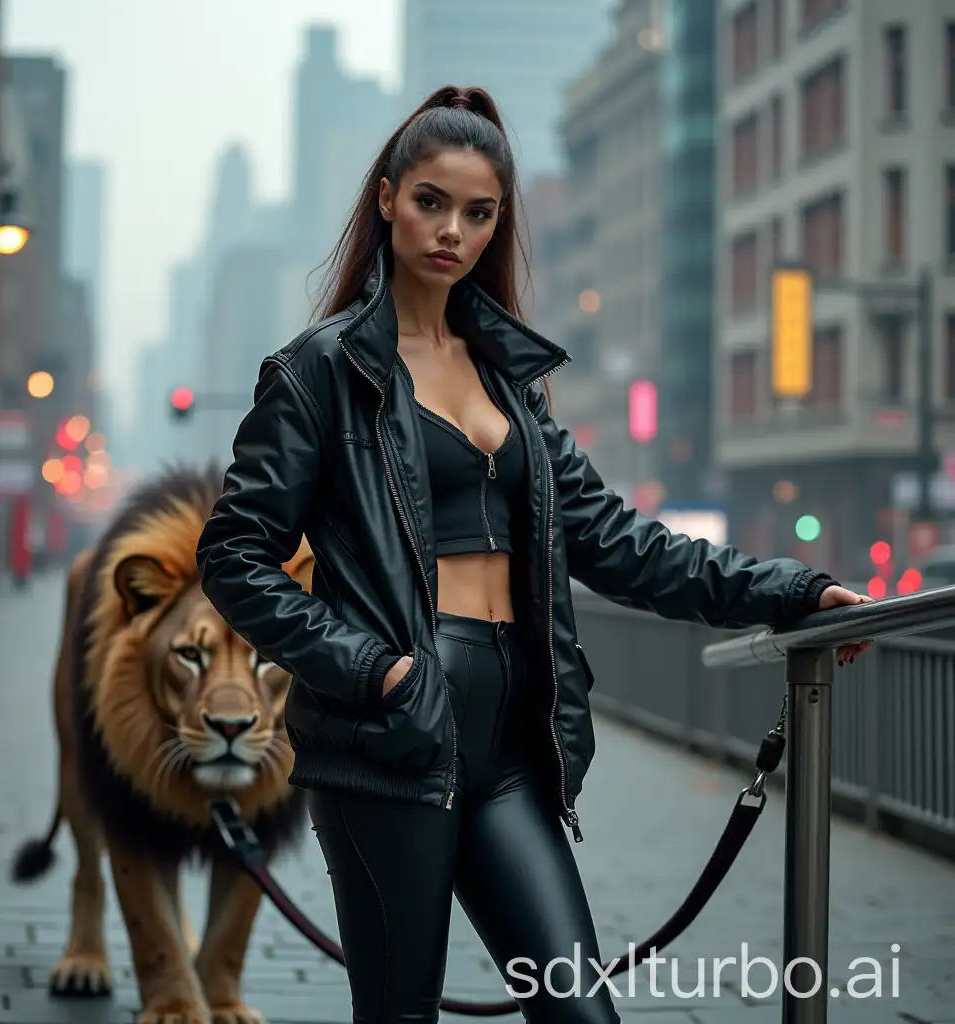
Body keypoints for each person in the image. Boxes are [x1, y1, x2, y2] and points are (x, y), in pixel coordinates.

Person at [195, 84, 871, 1024]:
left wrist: (791, 590)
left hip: (514, 740)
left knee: (579, 1014)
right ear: (388, 197)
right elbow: (234, 556)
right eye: (431, 201)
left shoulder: (511, 381)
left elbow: (617, 543)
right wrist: (377, 671)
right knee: (400, 1015)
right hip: (392, 733)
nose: (453, 232)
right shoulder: (320, 372)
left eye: (479, 213)